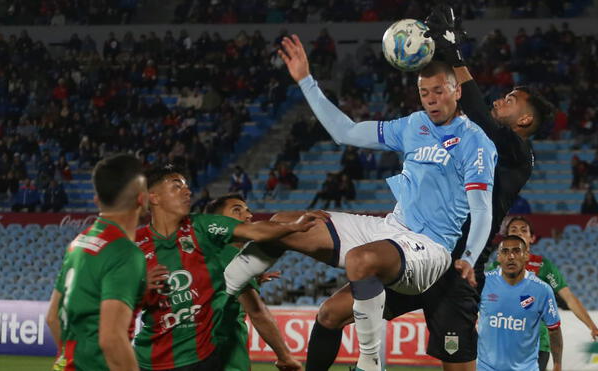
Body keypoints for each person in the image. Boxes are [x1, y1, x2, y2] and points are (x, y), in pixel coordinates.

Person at [296, 6, 557, 371]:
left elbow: (479, 112)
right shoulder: (462, 133)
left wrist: (453, 53)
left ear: (525, 120)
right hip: (415, 249)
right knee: (330, 313)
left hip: (456, 270)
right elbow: (459, 109)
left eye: (511, 100)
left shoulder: (517, 154)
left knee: (455, 366)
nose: (501, 100)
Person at [224, 34, 497, 371]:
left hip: (431, 248)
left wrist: (469, 256)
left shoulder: (476, 142)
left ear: (457, 91)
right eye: (424, 93)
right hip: (392, 229)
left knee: (360, 259)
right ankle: (223, 291)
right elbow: (347, 132)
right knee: (286, 223)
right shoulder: (413, 125)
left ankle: (370, 363)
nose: (430, 100)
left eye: (439, 91)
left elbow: (483, 208)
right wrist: (306, 81)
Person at [133, 165, 316, 371]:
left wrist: (292, 226)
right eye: (177, 187)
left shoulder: (201, 227)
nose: (187, 191)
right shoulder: (134, 245)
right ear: (154, 197)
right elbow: (115, 303)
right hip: (150, 360)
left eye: (186, 186)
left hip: (203, 357)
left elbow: (253, 230)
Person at [45, 154, 149, 370]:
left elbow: (52, 318)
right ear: (142, 199)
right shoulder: (125, 253)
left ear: (97, 200)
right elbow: (111, 339)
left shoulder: (79, 243)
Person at [489, 216, 598, 370]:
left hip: (537, 345)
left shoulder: (543, 266)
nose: (518, 233)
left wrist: (592, 326)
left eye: (523, 230)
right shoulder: (494, 268)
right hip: (502, 344)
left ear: (531, 238)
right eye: (513, 230)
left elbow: (569, 298)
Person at [207, 194, 288, 371]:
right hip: (225, 355)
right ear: (217, 222)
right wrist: (285, 357)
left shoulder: (212, 254)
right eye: (237, 211)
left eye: (248, 210)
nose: (248, 215)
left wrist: (252, 279)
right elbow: (257, 312)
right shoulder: (228, 254)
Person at [479, 235, 562, 371]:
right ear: (499, 257)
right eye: (505, 252)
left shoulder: (542, 290)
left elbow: (554, 330)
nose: (511, 256)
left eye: (516, 251)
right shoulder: (484, 283)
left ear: (526, 256)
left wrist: (557, 365)